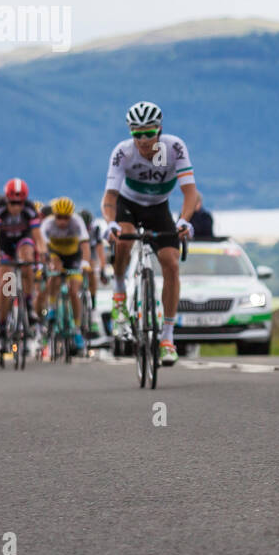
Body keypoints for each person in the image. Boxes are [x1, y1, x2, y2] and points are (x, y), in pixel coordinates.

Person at [102, 101, 199, 367]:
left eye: (149, 133)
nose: (143, 140)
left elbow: (190, 192)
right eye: (137, 134)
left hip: (158, 208)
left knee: (171, 264)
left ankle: (167, 339)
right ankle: (120, 292)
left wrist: (184, 220)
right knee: (123, 239)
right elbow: (110, 197)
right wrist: (111, 223)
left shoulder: (174, 148)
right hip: (128, 206)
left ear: (160, 130)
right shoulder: (122, 152)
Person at [0, 178, 46, 347]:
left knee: (28, 257)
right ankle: (2, 324)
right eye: (13, 203)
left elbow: (38, 238)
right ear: (7, 200)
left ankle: (27, 302)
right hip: (4, 246)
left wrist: (42, 252)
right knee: (7, 285)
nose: (16, 207)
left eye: (19, 203)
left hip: (23, 242)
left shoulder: (29, 210)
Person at [40, 196, 92, 353]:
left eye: (66, 218)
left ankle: (76, 329)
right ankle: (51, 307)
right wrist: (48, 263)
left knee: (74, 291)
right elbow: (43, 249)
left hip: (73, 258)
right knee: (54, 276)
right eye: (59, 217)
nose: (62, 221)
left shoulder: (77, 222)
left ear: (71, 216)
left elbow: (85, 245)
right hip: (56, 255)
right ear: (53, 215)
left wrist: (85, 263)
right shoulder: (47, 224)